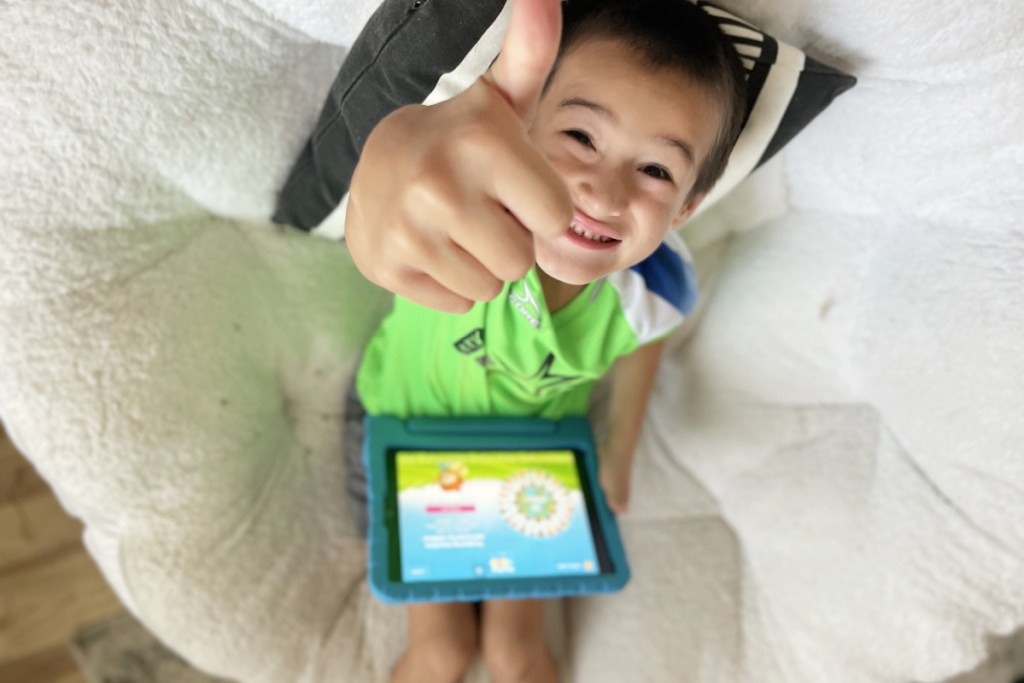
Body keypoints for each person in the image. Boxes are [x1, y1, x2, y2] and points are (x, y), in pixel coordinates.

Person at [344, 0, 747, 681]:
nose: (604, 190)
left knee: (518, 653)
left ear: (685, 209)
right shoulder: (469, 217)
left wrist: (618, 451)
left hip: (534, 468)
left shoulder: (653, 289)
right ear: (518, 129)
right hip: (408, 436)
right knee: (440, 651)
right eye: (581, 138)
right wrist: (386, 167)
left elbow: (644, 343)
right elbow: (388, 195)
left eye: (655, 171)